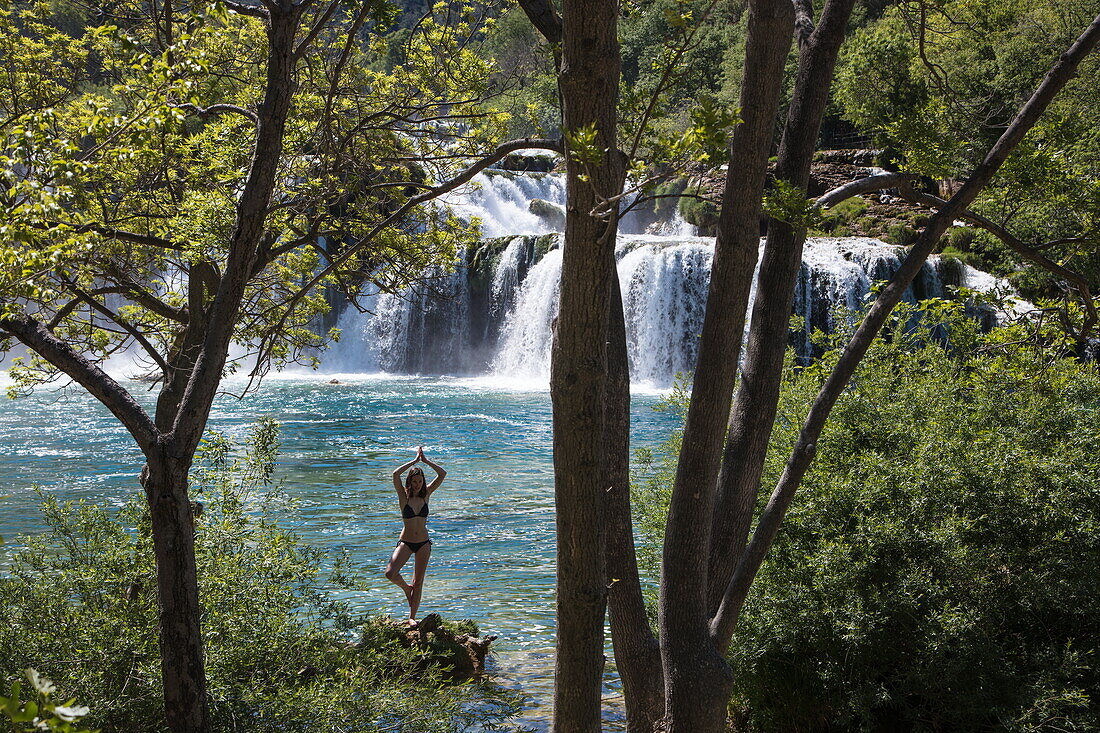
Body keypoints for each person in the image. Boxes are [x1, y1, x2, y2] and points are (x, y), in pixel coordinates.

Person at [384, 445, 446, 624]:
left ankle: (412, 617)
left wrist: (426, 461)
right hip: (406, 542)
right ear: (409, 482)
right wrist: (414, 461)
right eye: (414, 481)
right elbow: (396, 475)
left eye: (420, 481)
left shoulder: (427, 495)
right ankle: (405, 588)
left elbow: (442, 474)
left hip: (424, 544)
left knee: (418, 582)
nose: (417, 485)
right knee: (390, 573)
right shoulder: (404, 497)